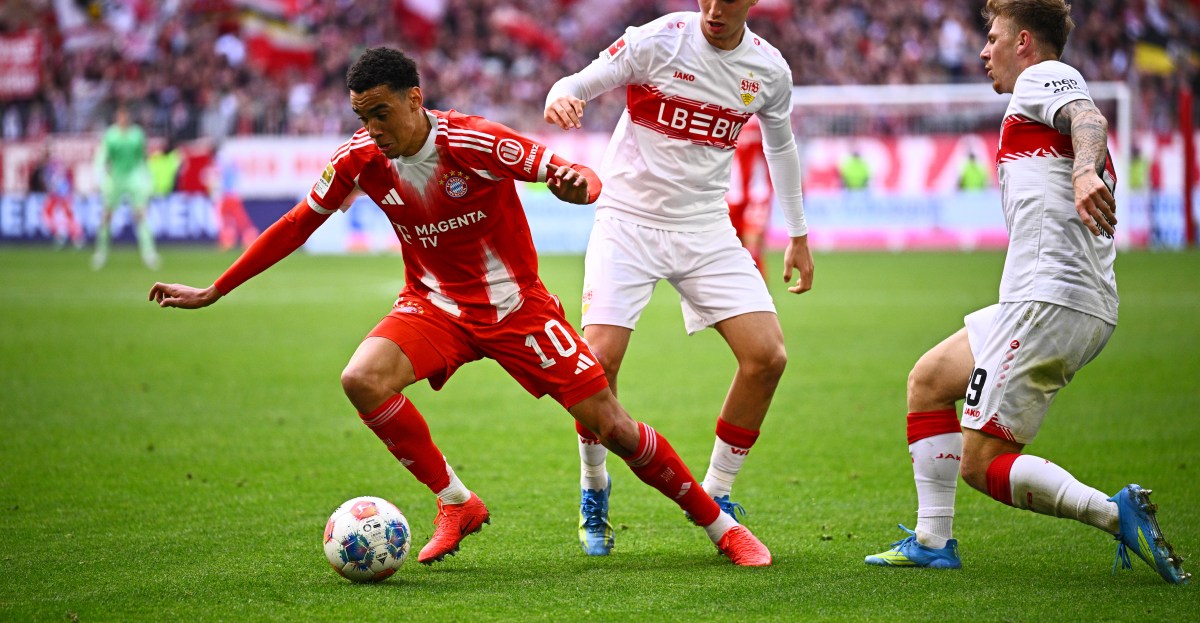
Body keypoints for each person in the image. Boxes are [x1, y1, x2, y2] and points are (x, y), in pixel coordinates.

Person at [149, 47, 772, 568]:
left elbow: (565, 170)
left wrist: (575, 185)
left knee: (610, 421)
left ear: (416, 100)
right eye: (363, 117)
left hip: (517, 310)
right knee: (361, 378)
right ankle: (456, 502)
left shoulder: (472, 141)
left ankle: (719, 525)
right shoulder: (359, 160)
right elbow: (295, 224)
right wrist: (216, 289)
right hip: (434, 307)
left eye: (383, 114)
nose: (374, 130)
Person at [864, 0, 1190, 585]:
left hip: (1050, 298)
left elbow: (1088, 118)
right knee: (930, 380)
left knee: (980, 462)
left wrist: (1085, 169)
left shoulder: (1043, 76)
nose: (983, 51)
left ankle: (1117, 516)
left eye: (992, 38)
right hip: (1040, 296)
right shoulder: (1028, 102)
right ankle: (933, 541)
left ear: (1023, 42)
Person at [544, 0, 813, 557]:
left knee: (768, 357)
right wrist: (562, 96)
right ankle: (594, 489)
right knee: (597, 365)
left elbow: (780, 144)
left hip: (705, 229)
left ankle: (718, 494)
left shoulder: (769, 69)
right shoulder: (656, 40)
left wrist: (799, 233)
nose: (715, 9)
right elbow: (578, 81)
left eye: (730, 0)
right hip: (627, 222)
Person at [94, 104, 158, 270]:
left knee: (140, 215)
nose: (123, 119)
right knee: (106, 215)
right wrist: (101, 177)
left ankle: (148, 253)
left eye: (125, 115)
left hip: (133, 177)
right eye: (120, 115)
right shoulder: (110, 135)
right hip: (116, 178)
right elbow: (103, 157)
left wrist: (147, 179)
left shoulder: (137, 134)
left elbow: (142, 158)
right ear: (117, 117)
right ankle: (101, 252)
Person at [726, 115, 773, 276]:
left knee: (753, 251)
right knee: (730, 253)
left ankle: (760, 300)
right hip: (729, 196)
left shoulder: (761, 117)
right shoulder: (721, 112)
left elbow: (778, 152)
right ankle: (734, 299)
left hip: (757, 195)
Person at [33, 145, 84, 249]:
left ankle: (75, 237)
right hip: (57, 194)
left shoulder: (53, 163)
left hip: (62, 194)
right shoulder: (48, 165)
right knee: (50, 215)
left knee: (66, 216)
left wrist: (62, 191)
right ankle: (62, 235)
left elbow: (59, 179)